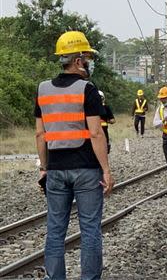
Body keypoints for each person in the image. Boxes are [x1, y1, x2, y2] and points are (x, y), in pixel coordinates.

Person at [35, 31, 115, 280]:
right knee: (90, 230)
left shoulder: (43, 89)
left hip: (56, 169)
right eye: (87, 58)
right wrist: (106, 170)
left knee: (55, 230)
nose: (89, 63)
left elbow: (40, 135)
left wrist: (44, 168)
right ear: (79, 60)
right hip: (86, 170)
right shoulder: (87, 90)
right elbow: (95, 133)